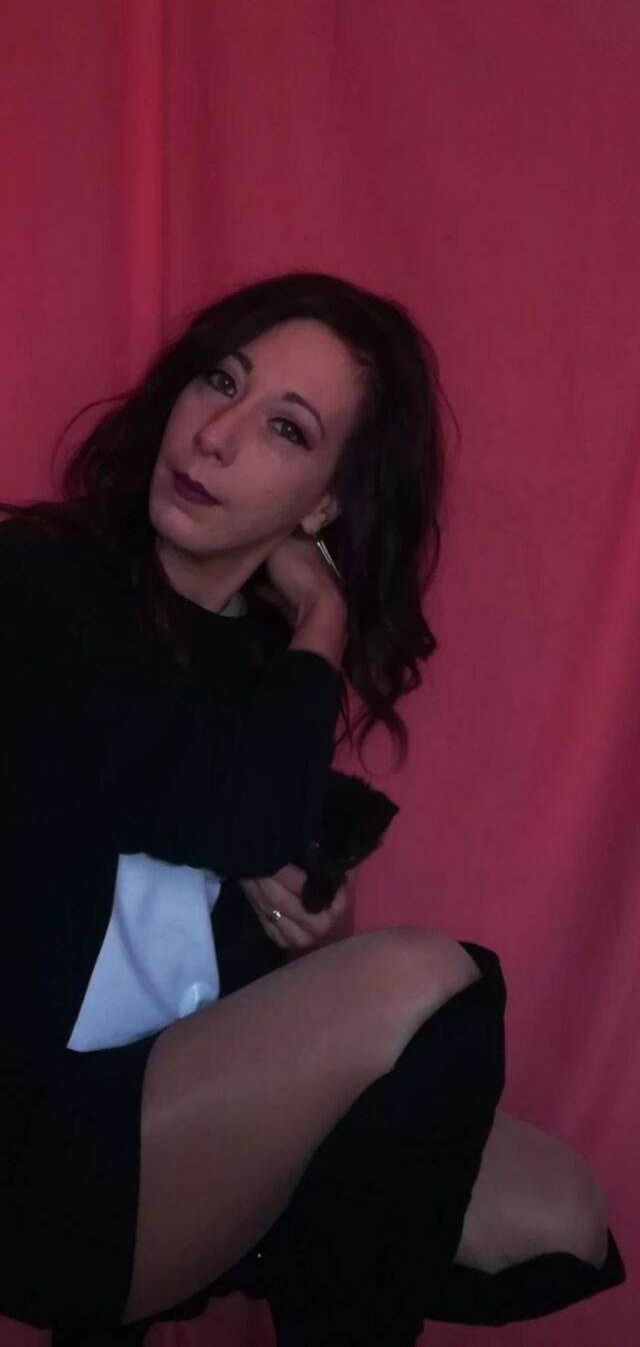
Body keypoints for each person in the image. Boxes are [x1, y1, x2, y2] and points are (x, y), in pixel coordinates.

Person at [0, 272, 624, 1346]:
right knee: (429, 978)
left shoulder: (258, 665)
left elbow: (212, 906)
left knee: (557, 1209)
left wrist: (309, 945)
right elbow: (229, 820)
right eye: (220, 383)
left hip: (175, 1109)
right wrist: (325, 616)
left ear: (325, 503)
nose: (215, 437)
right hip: (37, 1146)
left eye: (284, 427)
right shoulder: (36, 583)